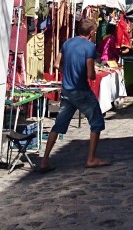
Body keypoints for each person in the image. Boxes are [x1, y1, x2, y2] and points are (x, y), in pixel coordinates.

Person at [38, 18, 111, 172]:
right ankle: (91, 158)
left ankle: (44, 160)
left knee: (58, 125)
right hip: (81, 90)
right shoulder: (89, 47)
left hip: (67, 91)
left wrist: (66, 73)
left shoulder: (67, 43)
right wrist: (93, 73)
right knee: (96, 121)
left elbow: (56, 64)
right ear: (92, 32)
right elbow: (90, 74)